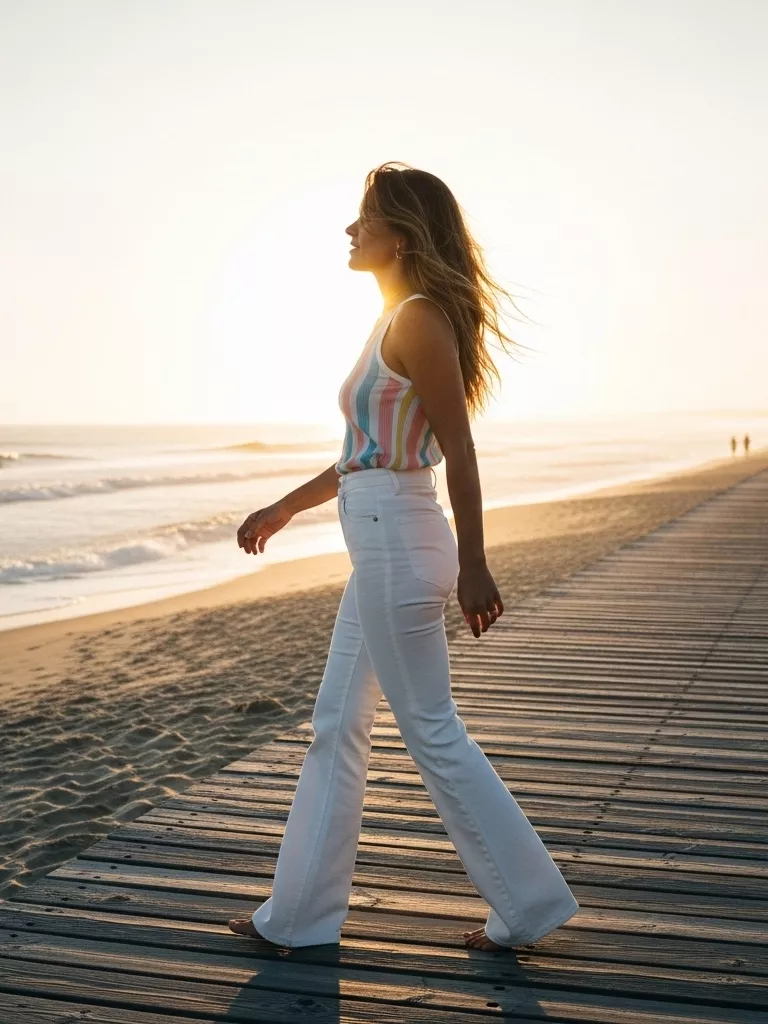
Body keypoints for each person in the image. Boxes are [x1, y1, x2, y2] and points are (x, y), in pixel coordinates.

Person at [227, 162, 579, 952]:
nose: (352, 230)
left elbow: (457, 449)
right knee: (338, 723)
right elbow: (368, 454)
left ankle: (528, 906)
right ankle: (299, 920)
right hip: (379, 534)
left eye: (367, 219)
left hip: (398, 537)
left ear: (404, 234)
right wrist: (286, 506)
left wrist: (478, 563)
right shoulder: (395, 317)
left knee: (429, 726)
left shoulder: (417, 317)